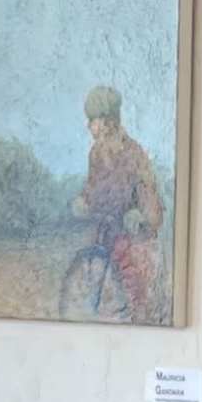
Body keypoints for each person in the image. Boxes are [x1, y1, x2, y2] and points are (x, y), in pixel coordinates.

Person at [75, 84, 167, 323]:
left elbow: (141, 190)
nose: (89, 126)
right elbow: (93, 184)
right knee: (97, 251)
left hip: (135, 220)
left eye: (93, 120)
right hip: (109, 220)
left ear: (107, 122)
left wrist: (142, 215)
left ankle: (138, 310)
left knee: (129, 264)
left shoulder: (131, 152)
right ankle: (102, 301)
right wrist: (84, 199)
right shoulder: (96, 152)